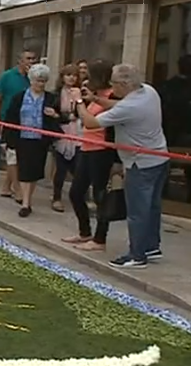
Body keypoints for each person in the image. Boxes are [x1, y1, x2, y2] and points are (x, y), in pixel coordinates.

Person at [73, 63, 169, 269]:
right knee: (152, 207)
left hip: (140, 163)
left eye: (114, 83)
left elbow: (91, 123)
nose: (111, 86)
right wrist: (97, 99)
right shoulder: (148, 92)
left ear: (125, 84)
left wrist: (79, 102)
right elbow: (117, 107)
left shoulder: (130, 106)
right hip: (159, 158)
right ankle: (151, 247)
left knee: (138, 210)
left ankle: (137, 255)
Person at [63, 59, 118, 252]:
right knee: (76, 192)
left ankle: (100, 239)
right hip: (86, 148)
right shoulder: (95, 96)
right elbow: (81, 117)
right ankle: (84, 231)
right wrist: (85, 99)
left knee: (99, 195)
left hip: (102, 151)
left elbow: (91, 121)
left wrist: (80, 101)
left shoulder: (112, 96)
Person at [3, 64, 65, 217]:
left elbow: (63, 118)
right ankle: (25, 203)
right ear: (31, 80)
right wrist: (8, 140)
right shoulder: (19, 97)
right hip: (22, 138)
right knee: (24, 170)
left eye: (43, 81)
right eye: (38, 80)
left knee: (35, 171)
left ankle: (28, 198)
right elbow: (10, 118)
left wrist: (54, 115)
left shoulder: (51, 98)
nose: (40, 84)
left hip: (40, 140)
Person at [0, 49, 37, 200]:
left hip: (27, 122)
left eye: (33, 59)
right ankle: (17, 189)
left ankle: (6, 187)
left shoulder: (33, 78)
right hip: (9, 120)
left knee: (19, 156)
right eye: (28, 58)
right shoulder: (7, 76)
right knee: (12, 155)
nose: (31, 62)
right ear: (20, 60)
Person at [51, 63, 81, 212]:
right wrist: (63, 116)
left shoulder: (82, 92)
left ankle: (82, 197)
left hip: (78, 133)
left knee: (79, 169)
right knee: (61, 168)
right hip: (61, 133)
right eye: (68, 75)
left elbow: (84, 111)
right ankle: (56, 197)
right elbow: (52, 114)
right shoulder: (56, 93)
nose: (72, 78)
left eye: (74, 75)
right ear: (62, 77)